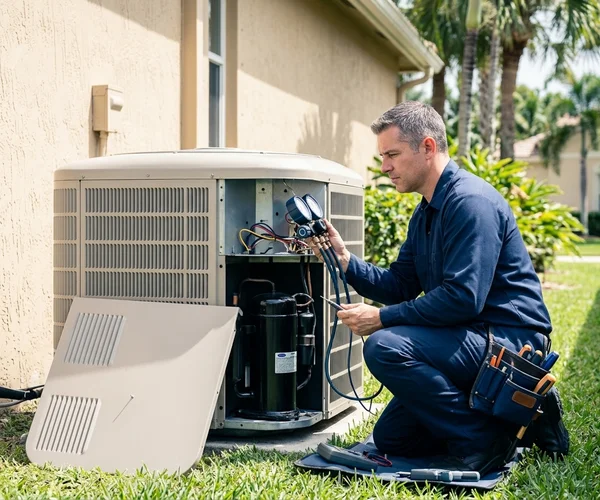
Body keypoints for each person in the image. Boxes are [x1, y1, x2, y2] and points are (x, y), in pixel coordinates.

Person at [309, 101, 568, 474]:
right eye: (383, 156)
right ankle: (518, 417)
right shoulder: (427, 210)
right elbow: (400, 284)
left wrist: (380, 319)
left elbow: (463, 299)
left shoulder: (471, 203)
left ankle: (485, 441)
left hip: (511, 342)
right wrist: (344, 259)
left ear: (427, 147)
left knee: (386, 346)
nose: (384, 167)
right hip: (470, 336)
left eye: (392, 154)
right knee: (394, 439)